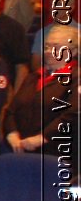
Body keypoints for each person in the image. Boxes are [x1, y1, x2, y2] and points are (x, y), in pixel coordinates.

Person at [5, 24, 76, 154]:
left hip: (56, 152)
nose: (48, 51)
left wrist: (42, 138)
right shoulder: (33, 77)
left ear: (73, 51)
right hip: (19, 147)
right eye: (47, 46)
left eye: (56, 46)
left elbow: (72, 115)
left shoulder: (76, 78)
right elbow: (11, 110)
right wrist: (12, 133)